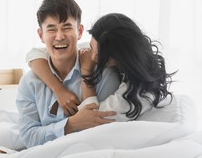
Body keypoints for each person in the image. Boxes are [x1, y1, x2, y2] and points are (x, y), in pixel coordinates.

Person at [0, 0, 120, 158]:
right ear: (41, 34)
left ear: (80, 32)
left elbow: (101, 133)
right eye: (52, 29)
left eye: (67, 27)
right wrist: (71, 124)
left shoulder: (103, 74)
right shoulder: (30, 82)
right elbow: (29, 136)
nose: (60, 36)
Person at [27, 12, 176, 122]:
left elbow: (91, 116)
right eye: (91, 47)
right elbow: (34, 54)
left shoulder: (134, 95)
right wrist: (58, 90)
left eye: (98, 57)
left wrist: (86, 70)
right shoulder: (101, 46)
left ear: (119, 57)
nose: (91, 57)